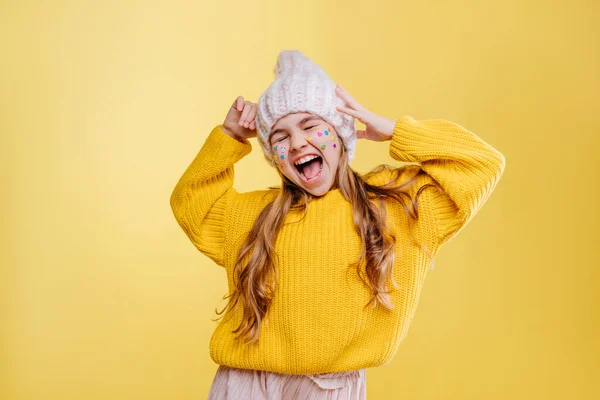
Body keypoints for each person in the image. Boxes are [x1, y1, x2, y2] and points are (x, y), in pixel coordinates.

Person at [169, 50, 506, 399]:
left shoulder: (397, 209)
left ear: (341, 134)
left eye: (311, 126)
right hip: (244, 384)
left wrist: (395, 131)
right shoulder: (253, 216)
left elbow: (481, 165)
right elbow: (191, 202)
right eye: (280, 137)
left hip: (331, 388)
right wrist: (229, 136)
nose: (298, 142)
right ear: (276, 159)